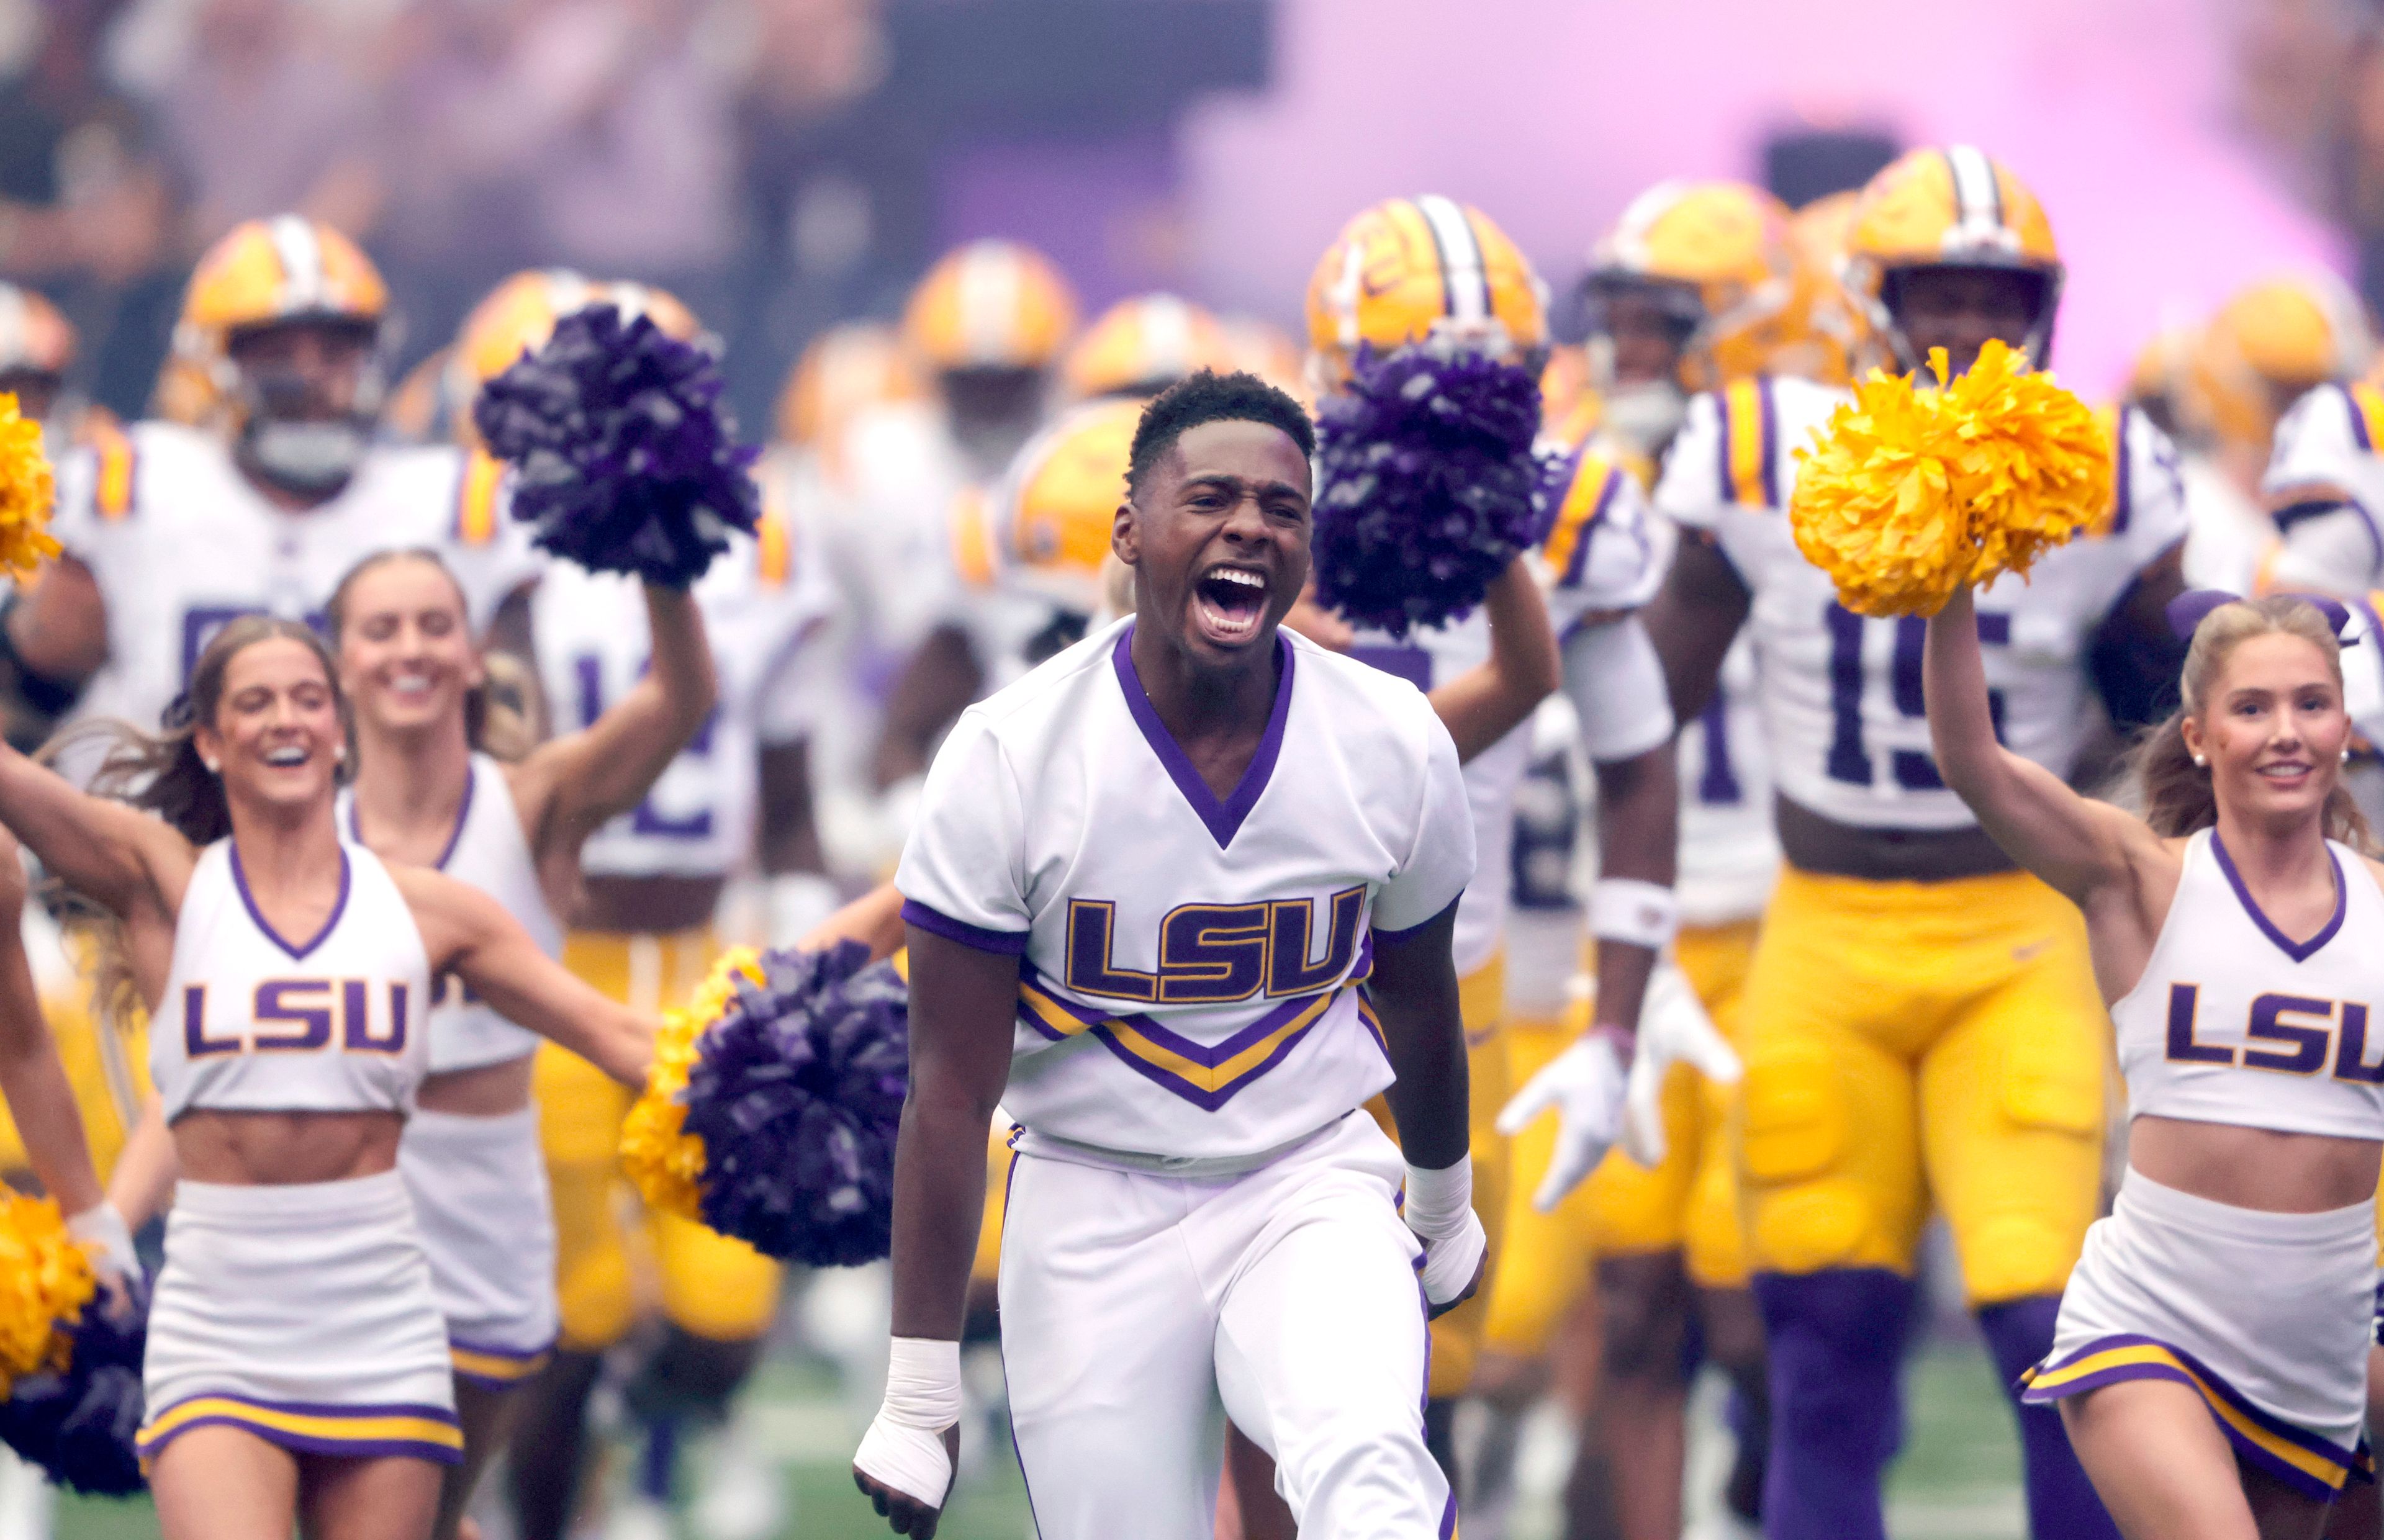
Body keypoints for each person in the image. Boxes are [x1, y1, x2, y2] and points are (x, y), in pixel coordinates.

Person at [1604, 145, 2190, 1540]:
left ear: (2044, 308)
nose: (1966, 328)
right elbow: (1648, 705)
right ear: (1873, 300)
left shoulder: (2107, 461)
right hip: (1824, 929)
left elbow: (2161, 712)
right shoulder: (1754, 445)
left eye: (1995, 295)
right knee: (1818, 1339)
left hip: (2015, 932)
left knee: (2056, 1332)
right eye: (1937, 294)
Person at [851, 370, 1483, 1539]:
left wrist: (1442, 1195)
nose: (1249, 524)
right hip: (1090, 1195)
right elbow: (949, 1087)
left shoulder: (1391, 738)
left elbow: (1419, 992)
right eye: (1212, 498)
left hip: (1310, 1177)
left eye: (1282, 509)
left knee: (1373, 1480)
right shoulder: (1008, 756)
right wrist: (921, 1386)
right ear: (1130, 534)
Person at [7, 616, 650, 1540]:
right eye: (255, 703)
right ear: (212, 741)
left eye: (309, 699)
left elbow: (614, 1031)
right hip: (217, 1323)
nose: (287, 720)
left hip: (379, 1319)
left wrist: (766, 1053)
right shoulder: (163, 880)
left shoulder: (424, 908)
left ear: (340, 730)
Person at [1289, 194, 1677, 1490]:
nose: (1446, 415)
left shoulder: (1567, 510)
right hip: (1252, 985)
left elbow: (1637, 766)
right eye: (1414, 381)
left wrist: (1616, 1025)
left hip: (1457, 985)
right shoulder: (1255, 494)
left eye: (1482, 381)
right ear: (1340, 374)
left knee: (1433, 1381)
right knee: (1254, 1393)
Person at [1927, 588, 2383, 1540]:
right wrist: (1948, 592)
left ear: (2348, 726)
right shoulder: (2140, 878)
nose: (2286, 732)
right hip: (2150, 1316)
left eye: (2312, 703)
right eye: (2251, 709)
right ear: (2199, 736)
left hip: (2319, 1350)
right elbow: (1973, 761)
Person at [328, 543, 715, 1540]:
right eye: (381, 629)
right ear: (338, 662)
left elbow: (680, 698)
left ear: (472, 656)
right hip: (332, 1195)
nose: (409, 649)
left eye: (433, 626)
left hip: (489, 1200)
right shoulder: (294, 819)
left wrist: (659, 552)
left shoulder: (530, 801)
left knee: (424, 1507)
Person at [4, 216, 538, 742]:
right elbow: (30, 695)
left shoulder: (459, 503)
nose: (308, 378)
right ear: (206, 361)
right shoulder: (130, 486)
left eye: (335, 350)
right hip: (156, 826)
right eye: (275, 352)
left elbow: (516, 744)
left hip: (373, 830)